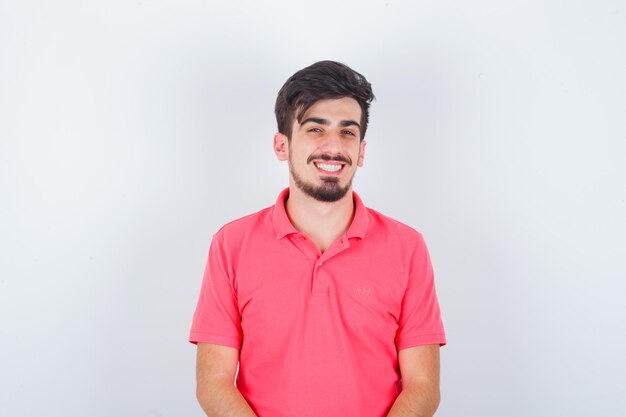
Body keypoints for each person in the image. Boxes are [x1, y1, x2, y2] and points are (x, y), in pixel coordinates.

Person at [189, 60, 446, 417]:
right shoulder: (231, 245)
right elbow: (213, 383)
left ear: (361, 151)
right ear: (282, 145)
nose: (333, 147)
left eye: (347, 132)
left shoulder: (408, 248)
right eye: (315, 129)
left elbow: (423, 385)